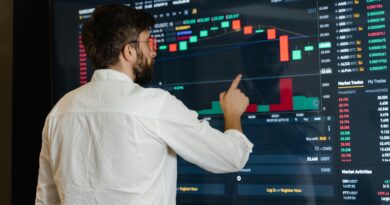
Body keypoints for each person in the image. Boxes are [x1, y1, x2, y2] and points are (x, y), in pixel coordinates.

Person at [35, 4, 253, 205]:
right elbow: (232, 157)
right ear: (129, 51)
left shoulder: (59, 111)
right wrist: (232, 113)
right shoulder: (154, 105)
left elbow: (46, 200)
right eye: (149, 42)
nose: (154, 51)